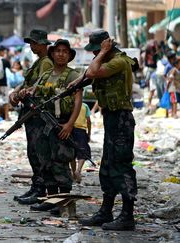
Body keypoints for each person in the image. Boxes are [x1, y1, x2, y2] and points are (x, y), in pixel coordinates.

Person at [70, 30, 137, 231]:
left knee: (122, 166)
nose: (93, 55)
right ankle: (106, 210)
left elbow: (92, 72)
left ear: (105, 46)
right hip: (111, 118)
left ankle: (127, 215)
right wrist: (77, 80)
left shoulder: (119, 61)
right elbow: (87, 76)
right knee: (107, 166)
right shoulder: (105, 60)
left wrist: (101, 53)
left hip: (121, 119)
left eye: (95, 50)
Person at [23, 39, 82, 213]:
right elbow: (33, 91)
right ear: (52, 54)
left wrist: (70, 124)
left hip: (61, 123)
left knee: (60, 163)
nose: (61, 54)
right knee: (45, 162)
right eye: (58, 51)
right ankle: (50, 199)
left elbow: (78, 101)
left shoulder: (73, 75)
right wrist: (23, 92)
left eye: (65, 51)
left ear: (69, 55)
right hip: (43, 125)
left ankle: (62, 202)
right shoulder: (46, 74)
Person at [8, 29, 53, 205]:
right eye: (31, 43)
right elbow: (26, 83)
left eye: (34, 43)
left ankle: (41, 189)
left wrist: (21, 93)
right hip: (30, 113)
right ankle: (36, 186)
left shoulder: (46, 63)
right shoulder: (38, 62)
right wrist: (16, 92)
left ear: (43, 44)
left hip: (38, 114)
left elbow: (37, 86)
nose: (32, 46)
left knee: (38, 152)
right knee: (32, 151)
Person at [70, 103, 92, 183]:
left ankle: (73, 172)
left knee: (72, 151)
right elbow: (89, 121)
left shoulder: (70, 104)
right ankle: (78, 170)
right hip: (81, 131)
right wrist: (89, 133)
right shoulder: (85, 106)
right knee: (82, 151)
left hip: (70, 129)